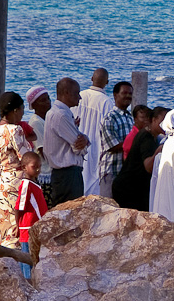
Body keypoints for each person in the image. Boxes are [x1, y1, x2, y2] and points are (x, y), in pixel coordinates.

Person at [0, 91, 31, 250]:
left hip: (0, 178)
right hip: (14, 181)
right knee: (14, 224)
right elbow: (24, 156)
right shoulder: (15, 130)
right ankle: (14, 259)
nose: (22, 114)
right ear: (15, 110)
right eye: (22, 110)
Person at [112, 106, 168, 211]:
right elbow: (148, 166)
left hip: (132, 187)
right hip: (129, 190)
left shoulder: (153, 136)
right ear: (154, 120)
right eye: (163, 121)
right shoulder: (147, 137)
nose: (166, 125)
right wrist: (159, 151)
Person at [45, 78, 89, 207]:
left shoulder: (55, 113)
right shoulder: (61, 115)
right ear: (67, 93)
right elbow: (78, 147)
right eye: (76, 93)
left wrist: (84, 139)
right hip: (68, 175)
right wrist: (85, 141)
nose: (80, 97)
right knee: (71, 213)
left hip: (63, 175)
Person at [74, 68, 114, 195]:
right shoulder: (107, 102)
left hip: (78, 143)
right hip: (96, 145)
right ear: (107, 82)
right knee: (93, 179)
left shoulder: (80, 96)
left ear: (92, 79)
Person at [15, 151, 48, 279]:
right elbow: (18, 208)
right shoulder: (26, 185)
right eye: (34, 167)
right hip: (27, 228)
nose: (38, 170)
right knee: (27, 258)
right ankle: (27, 282)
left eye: (39, 166)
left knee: (35, 256)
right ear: (24, 167)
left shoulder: (34, 184)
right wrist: (18, 225)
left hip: (35, 227)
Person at [99, 82, 134, 198]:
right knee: (109, 209)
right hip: (111, 171)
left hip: (125, 173)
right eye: (124, 93)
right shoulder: (109, 118)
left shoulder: (130, 118)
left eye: (130, 93)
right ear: (115, 95)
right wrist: (136, 143)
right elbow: (112, 146)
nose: (128, 96)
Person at [26, 85, 53, 200]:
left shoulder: (46, 119)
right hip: (45, 172)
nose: (48, 102)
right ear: (34, 105)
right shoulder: (36, 123)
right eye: (43, 100)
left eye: (48, 99)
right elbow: (42, 150)